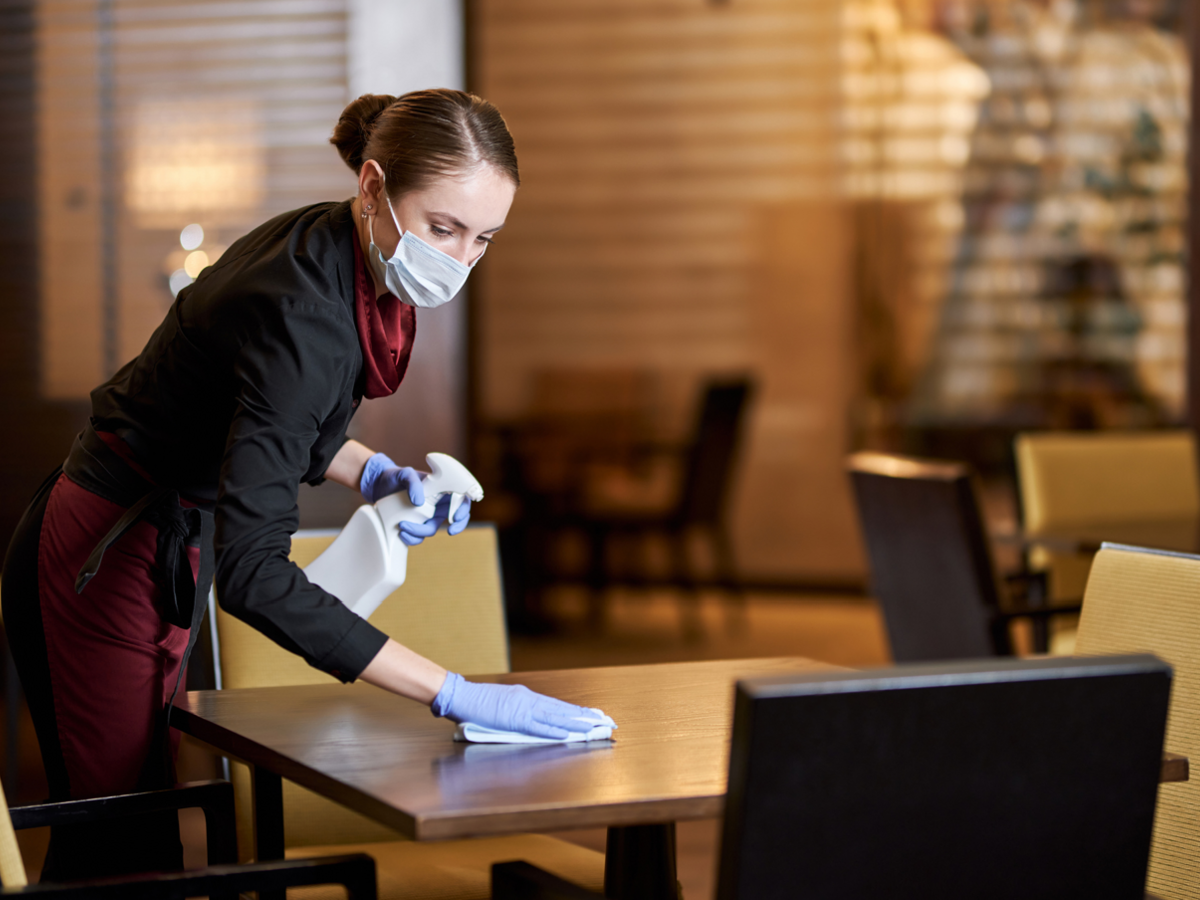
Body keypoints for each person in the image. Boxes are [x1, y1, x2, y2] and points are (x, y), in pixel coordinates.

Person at [1, 89, 608, 880]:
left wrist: (376, 474)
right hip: (101, 558)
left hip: (150, 546)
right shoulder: (307, 310)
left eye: (483, 238)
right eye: (443, 228)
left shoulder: (334, 240)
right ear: (373, 188)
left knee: (138, 831)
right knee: (124, 848)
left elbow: (278, 416)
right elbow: (254, 576)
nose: (459, 261)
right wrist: (452, 691)